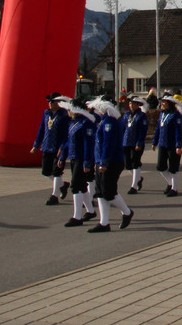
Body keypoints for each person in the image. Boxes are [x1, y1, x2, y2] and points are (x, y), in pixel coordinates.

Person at [88, 97, 134, 233]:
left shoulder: (110, 122)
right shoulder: (105, 121)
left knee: (109, 192)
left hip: (111, 161)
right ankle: (104, 223)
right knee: (100, 192)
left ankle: (127, 212)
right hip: (102, 160)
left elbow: (108, 144)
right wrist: (98, 161)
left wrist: (103, 162)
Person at [60, 99, 97, 227]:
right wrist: (62, 157)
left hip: (81, 158)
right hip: (74, 156)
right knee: (81, 186)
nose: (68, 112)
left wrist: (87, 162)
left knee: (75, 186)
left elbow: (88, 144)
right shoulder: (73, 123)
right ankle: (90, 211)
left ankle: (77, 216)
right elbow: (68, 141)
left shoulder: (86, 123)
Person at [30, 93, 70, 206]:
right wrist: (36, 144)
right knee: (46, 171)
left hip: (58, 147)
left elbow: (66, 133)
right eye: (49, 102)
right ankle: (62, 185)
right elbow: (42, 128)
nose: (50, 104)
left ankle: (54, 195)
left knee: (57, 171)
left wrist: (62, 147)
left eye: (52, 102)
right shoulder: (46, 113)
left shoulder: (64, 115)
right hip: (47, 145)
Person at [151, 93, 182, 197]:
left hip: (172, 144)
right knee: (160, 166)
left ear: (169, 103)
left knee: (173, 167)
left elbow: (178, 131)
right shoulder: (162, 114)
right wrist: (154, 142)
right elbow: (158, 129)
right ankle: (170, 183)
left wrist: (178, 146)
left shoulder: (175, 115)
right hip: (162, 143)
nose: (162, 104)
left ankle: (174, 188)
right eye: (162, 102)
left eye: (164, 102)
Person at [122, 95, 148, 194]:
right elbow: (123, 128)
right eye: (130, 103)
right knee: (127, 164)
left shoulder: (141, 116)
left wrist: (139, 143)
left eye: (133, 104)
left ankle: (134, 186)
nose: (131, 105)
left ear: (138, 105)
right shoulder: (126, 114)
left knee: (135, 163)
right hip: (126, 142)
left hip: (136, 143)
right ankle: (138, 178)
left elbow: (142, 131)